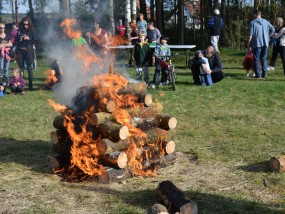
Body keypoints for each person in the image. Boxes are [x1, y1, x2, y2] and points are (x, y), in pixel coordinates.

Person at [247, 9, 275, 78]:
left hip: (257, 43)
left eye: (253, 14)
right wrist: (268, 36)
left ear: (255, 14)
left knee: (256, 59)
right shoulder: (266, 22)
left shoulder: (252, 23)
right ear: (260, 14)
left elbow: (250, 35)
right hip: (265, 43)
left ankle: (258, 75)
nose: (252, 16)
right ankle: (264, 74)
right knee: (263, 59)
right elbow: (273, 29)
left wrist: (248, 43)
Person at [15, 16, 38, 91]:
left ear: (29, 24)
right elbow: (15, 40)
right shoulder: (19, 30)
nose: (25, 26)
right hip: (20, 50)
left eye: (27, 24)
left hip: (29, 51)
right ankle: (22, 85)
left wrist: (29, 39)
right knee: (21, 68)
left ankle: (30, 85)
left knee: (29, 67)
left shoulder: (32, 31)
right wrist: (20, 38)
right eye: (24, 24)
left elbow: (36, 41)